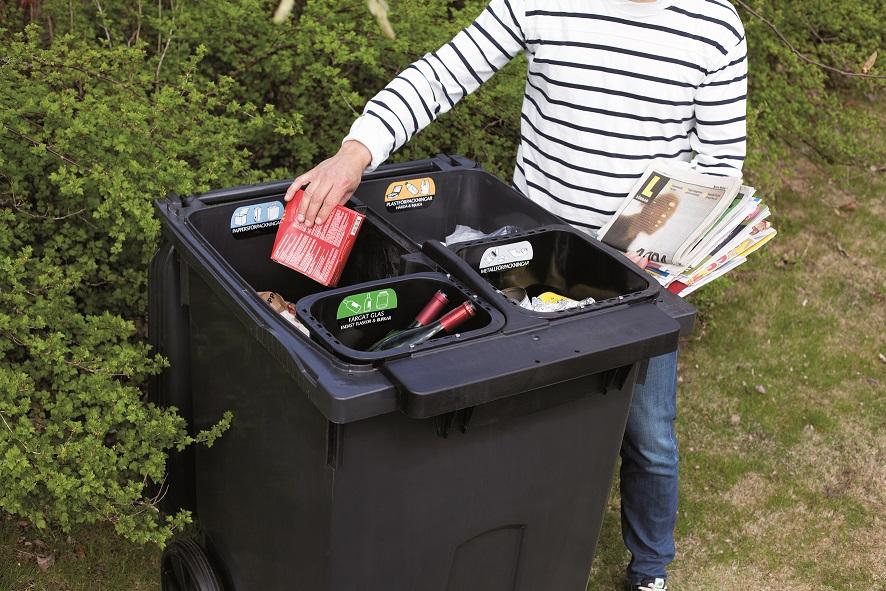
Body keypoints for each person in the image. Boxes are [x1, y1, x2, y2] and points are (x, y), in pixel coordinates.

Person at [285, 1, 747, 589]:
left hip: (630, 280)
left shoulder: (714, 23)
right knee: (520, 420)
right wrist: (356, 153)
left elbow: (720, 168)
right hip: (522, 261)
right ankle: (498, 542)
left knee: (649, 435)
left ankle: (651, 568)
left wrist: (665, 249)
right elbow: (443, 72)